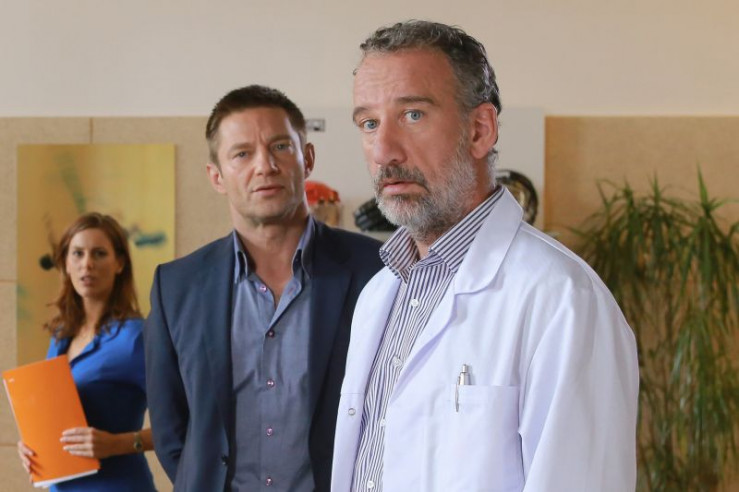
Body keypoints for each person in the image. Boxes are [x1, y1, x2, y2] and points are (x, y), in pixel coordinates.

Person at [332, 20, 640, 492]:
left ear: (479, 130)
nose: (384, 151)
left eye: (412, 114)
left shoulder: (562, 299)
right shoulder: (379, 294)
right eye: (369, 123)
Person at [144, 85, 383, 491]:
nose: (265, 166)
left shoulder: (376, 271)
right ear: (216, 176)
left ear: (307, 158)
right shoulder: (177, 286)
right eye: (242, 154)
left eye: (280, 147)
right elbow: (171, 432)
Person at [17, 213, 156, 491]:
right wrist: (32, 447)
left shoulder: (136, 337)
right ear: (66, 264)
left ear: (119, 263)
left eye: (99, 254)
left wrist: (117, 444)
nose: (87, 264)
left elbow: (188, 421)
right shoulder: (61, 335)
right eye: (77, 254)